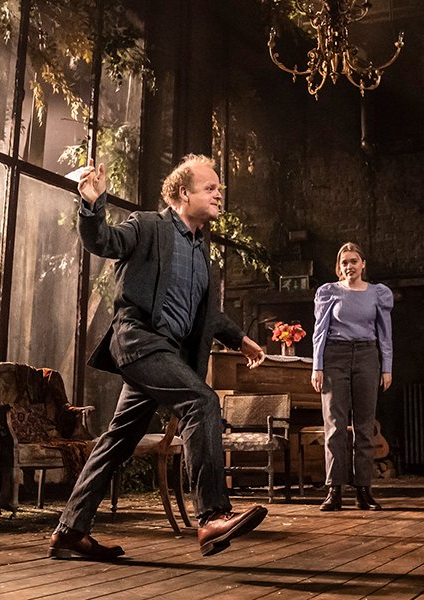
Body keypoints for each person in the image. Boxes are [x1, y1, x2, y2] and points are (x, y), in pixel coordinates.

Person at [48, 154, 269, 560]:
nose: (220, 193)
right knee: (200, 400)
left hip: (166, 353)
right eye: (210, 188)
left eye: (219, 188)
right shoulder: (148, 225)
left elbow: (206, 312)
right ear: (183, 193)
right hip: (138, 341)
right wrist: (93, 204)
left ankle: (70, 531)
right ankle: (212, 518)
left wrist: (240, 339)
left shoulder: (201, 248)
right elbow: (104, 241)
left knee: (117, 440)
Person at [310, 242, 393, 512]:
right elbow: (319, 332)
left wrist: (386, 367)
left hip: (368, 356)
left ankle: (363, 491)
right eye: (344, 262)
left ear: (363, 264)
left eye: (354, 261)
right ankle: (334, 490)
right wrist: (317, 366)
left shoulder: (377, 294)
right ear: (339, 266)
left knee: (365, 426)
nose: (349, 266)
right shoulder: (329, 292)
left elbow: (385, 333)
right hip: (335, 356)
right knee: (334, 424)